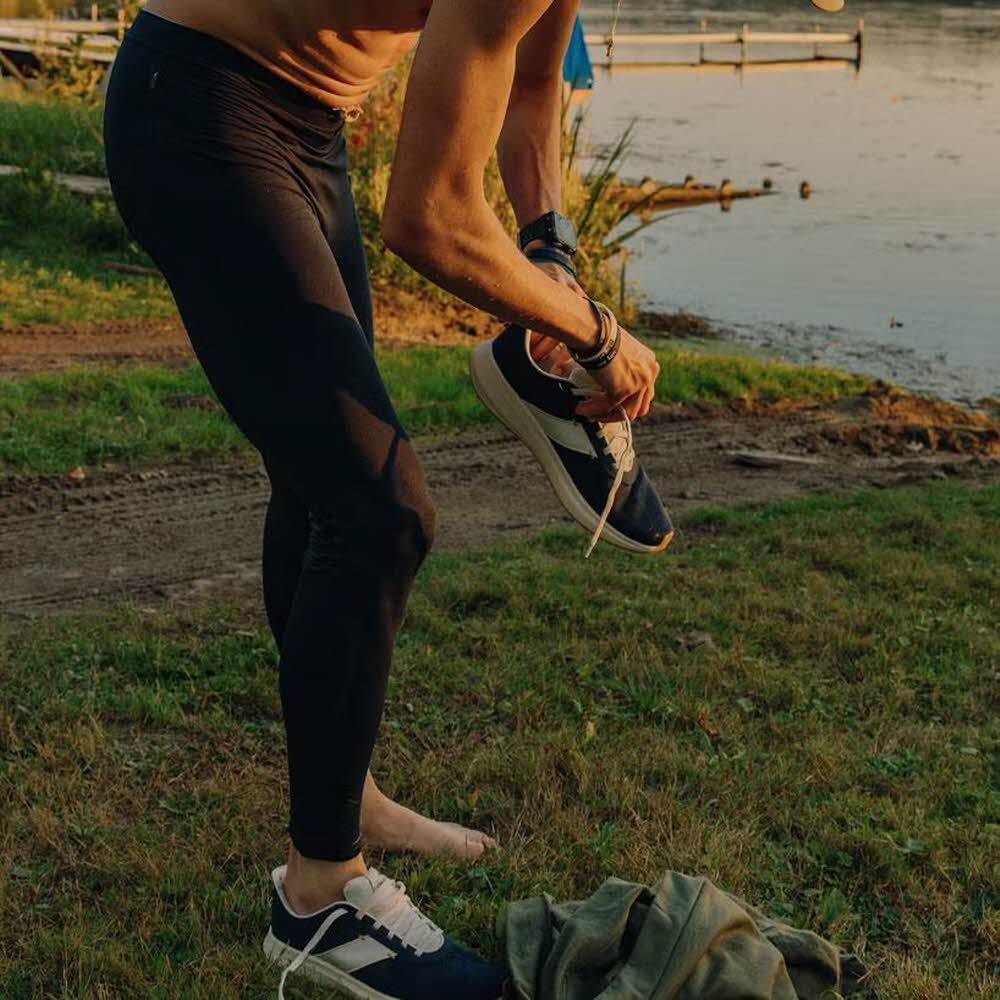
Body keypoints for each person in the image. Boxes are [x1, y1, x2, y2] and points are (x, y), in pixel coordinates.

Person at [102, 2, 670, 997]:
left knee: (321, 483)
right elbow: (430, 216)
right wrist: (592, 333)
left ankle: (345, 797)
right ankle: (320, 898)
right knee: (376, 512)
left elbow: (532, 86)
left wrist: (551, 254)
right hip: (200, 105)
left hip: (308, 124)